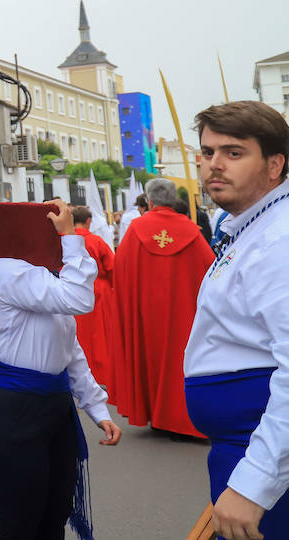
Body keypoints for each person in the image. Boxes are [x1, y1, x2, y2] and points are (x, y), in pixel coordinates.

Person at [0, 199, 121, 540]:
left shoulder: (40, 276)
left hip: (52, 409)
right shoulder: (5, 271)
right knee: (20, 524)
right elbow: (80, 299)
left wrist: (97, 408)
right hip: (12, 409)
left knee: (53, 517)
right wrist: (70, 237)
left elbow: (70, 350)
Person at [184, 101, 289, 540]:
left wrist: (253, 483)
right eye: (207, 153)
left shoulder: (279, 240)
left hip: (260, 447)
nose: (214, 165)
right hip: (239, 445)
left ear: (274, 164)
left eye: (233, 152)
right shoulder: (252, 225)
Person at [113, 177, 213, 438]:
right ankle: (176, 417)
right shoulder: (191, 231)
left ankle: (156, 416)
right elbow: (211, 270)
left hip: (146, 315)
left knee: (151, 359)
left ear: (150, 200)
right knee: (179, 362)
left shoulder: (136, 229)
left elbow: (120, 270)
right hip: (184, 314)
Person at [71, 205, 117, 393]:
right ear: (89, 221)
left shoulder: (66, 241)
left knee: (78, 335)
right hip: (99, 291)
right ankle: (103, 374)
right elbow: (112, 267)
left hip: (74, 290)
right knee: (101, 335)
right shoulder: (96, 241)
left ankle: (77, 374)